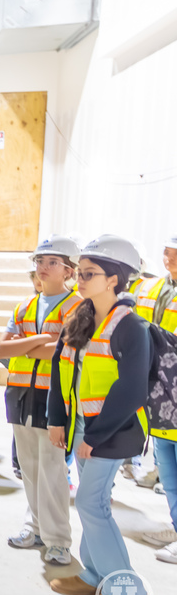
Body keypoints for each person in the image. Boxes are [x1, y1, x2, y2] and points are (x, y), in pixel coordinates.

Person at [47, 234, 152, 595]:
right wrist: (57, 420)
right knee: (93, 504)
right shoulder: (81, 317)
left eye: (89, 273)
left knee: (91, 503)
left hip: (113, 430)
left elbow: (132, 389)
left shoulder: (131, 326)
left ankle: (128, 591)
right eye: (79, 272)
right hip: (81, 426)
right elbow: (60, 370)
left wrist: (94, 436)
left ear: (114, 279)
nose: (80, 278)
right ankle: (95, 575)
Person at [0, 235, 82, 566]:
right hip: (19, 393)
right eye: (39, 261)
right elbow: (3, 348)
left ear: (69, 271)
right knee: (29, 467)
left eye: (51, 262)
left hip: (54, 397)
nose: (42, 267)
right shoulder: (24, 306)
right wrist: (44, 339)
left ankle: (58, 540)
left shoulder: (78, 307)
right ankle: (34, 529)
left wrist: (27, 344)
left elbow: (64, 350)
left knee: (52, 470)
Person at [133, 233, 177, 562]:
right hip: (159, 392)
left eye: (175, 253)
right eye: (166, 252)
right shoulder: (152, 288)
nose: (169, 258)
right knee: (168, 470)